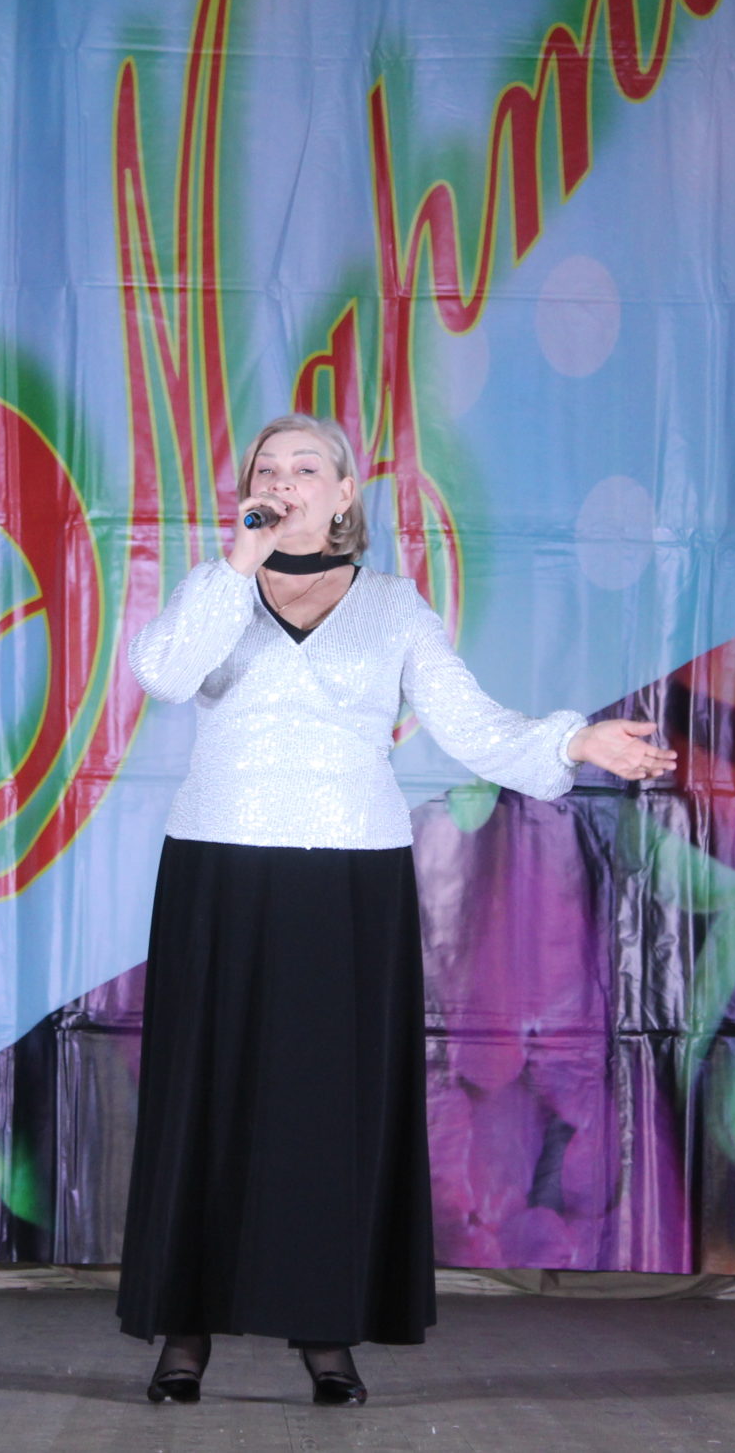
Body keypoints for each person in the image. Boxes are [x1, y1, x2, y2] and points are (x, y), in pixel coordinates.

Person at [115, 412, 674, 1406]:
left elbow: (470, 724)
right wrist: (238, 562)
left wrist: (574, 742)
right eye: (267, 468)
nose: (284, 479)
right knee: (207, 1093)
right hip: (218, 866)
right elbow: (161, 672)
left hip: (348, 876)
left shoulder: (392, 607)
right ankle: (184, 1329)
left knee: (328, 1106)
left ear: (344, 494)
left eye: (306, 467)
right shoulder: (217, 591)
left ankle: (327, 1329)